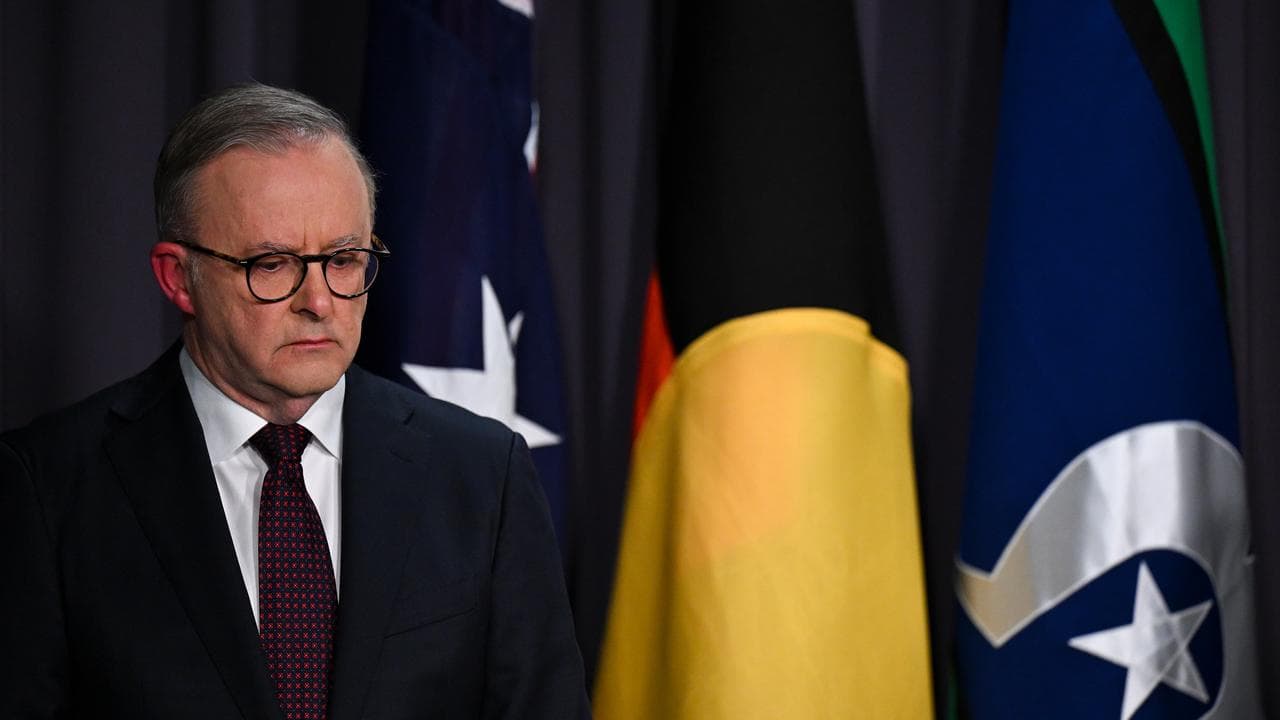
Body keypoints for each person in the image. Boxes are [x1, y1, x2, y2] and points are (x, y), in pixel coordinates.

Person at [0, 83, 588, 719]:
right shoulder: (45, 487)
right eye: (273, 264)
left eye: (343, 258)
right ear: (179, 278)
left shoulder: (481, 473)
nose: (320, 301)